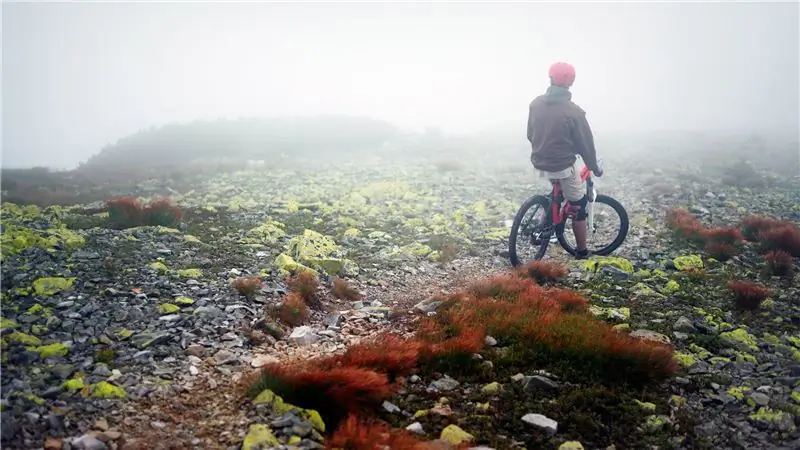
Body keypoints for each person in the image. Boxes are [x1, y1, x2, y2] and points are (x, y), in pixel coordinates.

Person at [526, 61, 602, 259]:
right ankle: (582, 251)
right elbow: (586, 146)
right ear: (571, 82)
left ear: (550, 78)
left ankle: (546, 218)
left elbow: (530, 134)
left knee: (556, 191)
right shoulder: (574, 112)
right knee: (579, 204)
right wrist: (594, 166)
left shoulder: (535, 104)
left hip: (539, 162)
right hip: (562, 165)